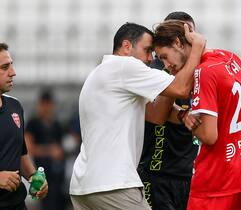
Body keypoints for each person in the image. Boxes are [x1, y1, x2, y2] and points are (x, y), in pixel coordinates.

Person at [69, 23, 206, 210]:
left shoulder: (102, 73)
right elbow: (181, 89)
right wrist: (196, 48)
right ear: (127, 47)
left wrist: (182, 114)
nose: (151, 59)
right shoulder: (125, 66)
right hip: (114, 185)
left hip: (83, 187)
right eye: (147, 50)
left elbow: (156, 116)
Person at [153, 20, 241, 210]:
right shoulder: (230, 57)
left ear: (178, 42)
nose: (167, 65)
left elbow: (208, 136)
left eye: (165, 57)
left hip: (216, 181)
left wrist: (189, 120)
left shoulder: (203, 72)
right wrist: (233, 134)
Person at [138, 12, 198, 210]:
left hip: (189, 176)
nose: (185, 41)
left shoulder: (203, 73)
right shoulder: (155, 69)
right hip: (155, 175)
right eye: (181, 36)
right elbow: (156, 115)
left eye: (191, 35)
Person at [0, 42, 48, 210]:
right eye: (4, 67)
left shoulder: (15, 107)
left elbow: (20, 154)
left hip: (17, 203)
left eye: (11, 65)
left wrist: (34, 176)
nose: (13, 73)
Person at [25, 89, 66, 210]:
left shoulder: (57, 125)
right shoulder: (33, 123)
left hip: (57, 174)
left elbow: (61, 148)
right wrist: (49, 151)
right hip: (40, 172)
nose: (46, 108)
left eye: (49, 104)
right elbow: (28, 149)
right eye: (44, 104)